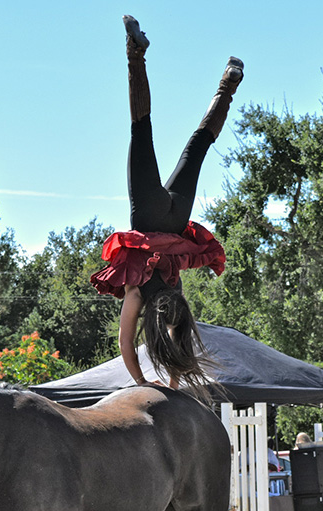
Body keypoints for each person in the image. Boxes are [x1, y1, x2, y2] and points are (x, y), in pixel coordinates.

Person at [89, 16, 241, 393]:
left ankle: (229, 83)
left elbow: (179, 342)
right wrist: (142, 382)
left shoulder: (175, 291)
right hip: (147, 219)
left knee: (198, 146)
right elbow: (126, 344)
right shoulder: (137, 292)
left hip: (176, 221)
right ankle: (134, 53)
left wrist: (174, 383)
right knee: (141, 128)